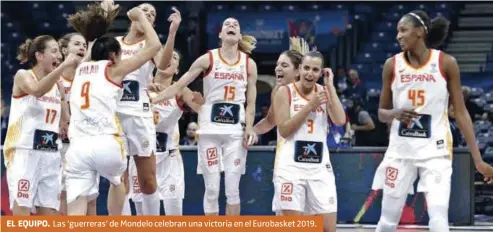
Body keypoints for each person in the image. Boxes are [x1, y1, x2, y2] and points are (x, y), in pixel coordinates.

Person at [372, 10, 493, 232]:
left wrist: (478, 161)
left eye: (403, 30)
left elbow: (462, 112)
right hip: (400, 151)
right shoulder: (392, 64)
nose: (398, 36)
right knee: (388, 220)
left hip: (436, 152)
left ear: (419, 33)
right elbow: (381, 112)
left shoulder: (446, 63)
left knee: (438, 219)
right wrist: (394, 113)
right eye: (397, 31)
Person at [150, 17, 258, 216]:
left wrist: (250, 127)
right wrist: (156, 99)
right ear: (220, 34)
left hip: (235, 131)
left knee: (233, 191)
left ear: (240, 35)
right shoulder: (207, 59)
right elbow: (180, 84)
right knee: (212, 190)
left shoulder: (249, 64)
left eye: (236, 24)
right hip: (209, 131)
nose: (232, 26)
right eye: (227, 24)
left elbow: (250, 102)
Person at [64, 4, 161, 215]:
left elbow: (91, 49)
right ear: (115, 56)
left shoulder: (80, 70)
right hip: (107, 142)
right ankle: (117, 222)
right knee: (118, 182)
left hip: (78, 146)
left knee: (79, 202)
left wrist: (100, 16)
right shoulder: (113, 70)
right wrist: (140, 17)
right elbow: (154, 46)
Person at [115, 2, 182, 216]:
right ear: (133, 16)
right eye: (145, 11)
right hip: (115, 114)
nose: (149, 15)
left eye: (153, 15)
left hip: (139, 113)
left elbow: (163, 65)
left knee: (148, 180)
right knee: (118, 177)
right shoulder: (115, 43)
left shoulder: (150, 45)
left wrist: (171, 34)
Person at [3, 35, 76, 216]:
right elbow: (36, 91)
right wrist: (65, 66)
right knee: (22, 211)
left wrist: (65, 121)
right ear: (39, 55)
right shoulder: (23, 76)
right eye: (54, 51)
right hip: (24, 151)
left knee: (50, 213)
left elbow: (65, 120)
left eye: (59, 51)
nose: (59, 55)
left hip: (50, 153)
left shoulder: (57, 84)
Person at [273, 51, 346, 232]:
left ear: (321, 73)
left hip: (319, 169)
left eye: (315, 70)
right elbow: (284, 130)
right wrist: (309, 106)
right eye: (306, 68)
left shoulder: (324, 92)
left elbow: (340, 120)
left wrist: (330, 87)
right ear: (298, 70)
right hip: (291, 169)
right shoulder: (284, 92)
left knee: (329, 229)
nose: (309, 73)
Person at [128, 51, 203, 215]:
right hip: (141, 157)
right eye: (165, 55)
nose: (169, 58)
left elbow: (204, 111)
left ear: (177, 70)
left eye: (175, 57)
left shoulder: (181, 91)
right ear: (155, 61)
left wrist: (203, 102)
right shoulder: (140, 86)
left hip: (169, 159)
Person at [56, 32, 95, 216]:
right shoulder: (54, 78)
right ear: (64, 50)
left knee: (90, 197)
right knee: (62, 194)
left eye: (84, 45)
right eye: (77, 44)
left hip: (84, 142)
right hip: (61, 144)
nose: (82, 47)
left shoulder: (88, 78)